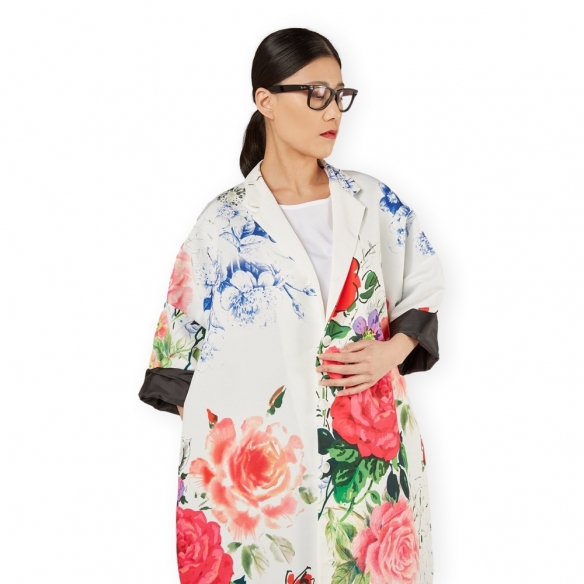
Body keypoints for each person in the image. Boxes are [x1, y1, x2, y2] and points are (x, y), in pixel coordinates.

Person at [138, 27, 445, 584]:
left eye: (340, 94)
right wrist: (241, 449)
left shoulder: (371, 201)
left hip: (368, 461)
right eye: (316, 93)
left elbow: (422, 288)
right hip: (264, 481)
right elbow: (177, 351)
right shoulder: (222, 223)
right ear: (266, 101)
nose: (333, 110)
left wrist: (390, 353)